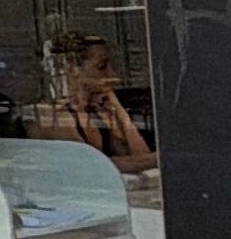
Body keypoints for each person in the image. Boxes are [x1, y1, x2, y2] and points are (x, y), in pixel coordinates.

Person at [35, 35, 155, 172]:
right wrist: (160, 158)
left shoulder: (100, 110)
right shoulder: (54, 116)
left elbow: (141, 154)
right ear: (72, 68)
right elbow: (94, 166)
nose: (112, 73)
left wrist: (120, 111)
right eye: (101, 66)